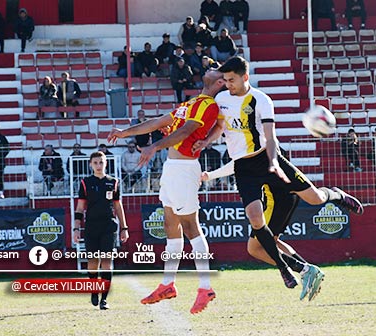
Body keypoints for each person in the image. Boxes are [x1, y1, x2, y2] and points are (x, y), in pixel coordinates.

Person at [194, 56, 363, 293]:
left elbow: (270, 136)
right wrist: (206, 141)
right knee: (254, 216)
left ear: (245, 77)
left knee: (315, 198)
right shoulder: (221, 99)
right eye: (225, 80)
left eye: (231, 80)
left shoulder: (261, 100)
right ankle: (285, 269)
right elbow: (220, 128)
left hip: (267, 158)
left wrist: (273, 161)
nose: (227, 84)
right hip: (244, 167)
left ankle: (335, 195)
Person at [107, 69, 227, 314]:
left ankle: (205, 287)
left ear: (220, 82)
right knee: (171, 225)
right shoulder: (191, 102)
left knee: (191, 226)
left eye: (215, 70)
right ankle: (167, 284)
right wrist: (124, 133)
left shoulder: (209, 105)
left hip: (184, 168)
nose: (209, 69)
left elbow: (185, 132)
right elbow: (159, 121)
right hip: (173, 167)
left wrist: (155, 147)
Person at [202, 159, 322, 300]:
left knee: (255, 248)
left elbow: (238, 163)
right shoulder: (268, 147)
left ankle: (306, 270)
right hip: (288, 195)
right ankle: (308, 272)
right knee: (272, 241)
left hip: (277, 199)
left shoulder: (253, 146)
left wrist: (210, 175)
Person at [73, 151, 129, 310]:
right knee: (92, 262)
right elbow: (80, 207)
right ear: (91, 164)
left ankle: (104, 299)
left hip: (108, 226)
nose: (98, 165)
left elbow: (118, 206)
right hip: (91, 226)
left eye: (101, 162)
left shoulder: (114, 182)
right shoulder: (85, 183)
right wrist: (76, 228)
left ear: (106, 164)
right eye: (95, 162)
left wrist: (124, 228)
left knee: (106, 261)